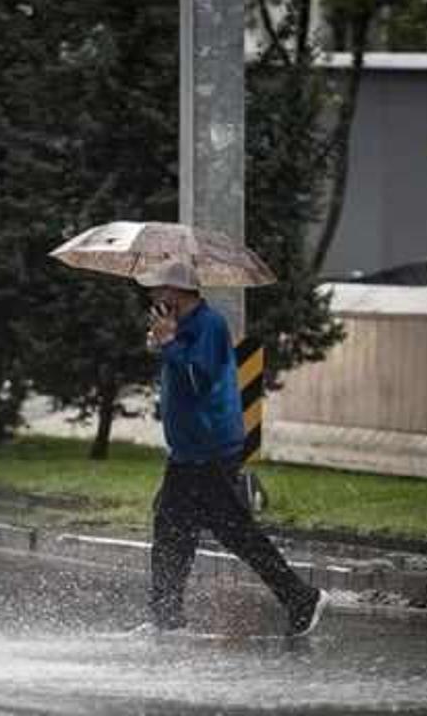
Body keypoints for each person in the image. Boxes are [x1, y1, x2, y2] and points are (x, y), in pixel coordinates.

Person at [136, 259, 326, 637]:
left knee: (230, 531)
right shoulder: (183, 325)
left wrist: (170, 343)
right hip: (188, 451)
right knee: (174, 530)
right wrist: (162, 342)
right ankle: (166, 617)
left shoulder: (209, 325)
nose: (154, 296)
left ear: (176, 291)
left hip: (209, 449)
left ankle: (301, 598)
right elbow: (179, 369)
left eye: (159, 290)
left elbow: (198, 378)